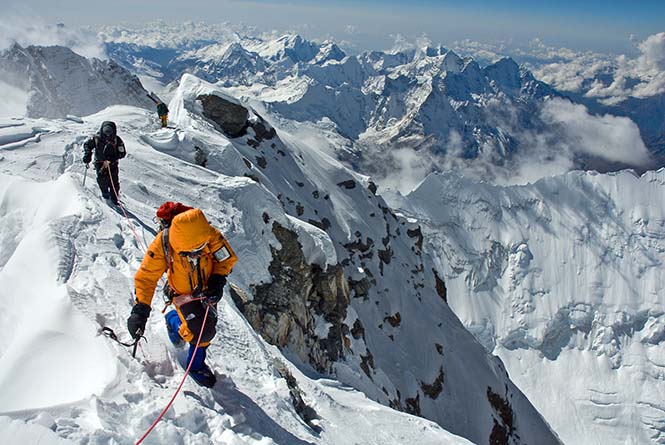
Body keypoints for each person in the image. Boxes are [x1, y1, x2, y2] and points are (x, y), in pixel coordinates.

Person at [127, 203, 238, 387]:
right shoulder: (164, 244)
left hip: (207, 288)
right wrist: (140, 310)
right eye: (189, 253)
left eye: (200, 250)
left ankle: (172, 320)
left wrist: (218, 279)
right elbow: (146, 277)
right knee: (202, 333)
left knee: (208, 324)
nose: (196, 255)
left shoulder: (209, 234)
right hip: (182, 293)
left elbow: (226, 258)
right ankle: (195, 365)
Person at [83, 121, 126, 205]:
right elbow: (87, 145)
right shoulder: (96, 138)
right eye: (106, 132)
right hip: (100, 163)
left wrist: (113, 158)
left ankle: (115, 198)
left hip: (112, 164)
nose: (107, 135)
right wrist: (88, 154)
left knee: (114, 182)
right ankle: (105, 194)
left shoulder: (117, 140)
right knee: (102, 180)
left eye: (110, 132)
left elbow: (122, 153)